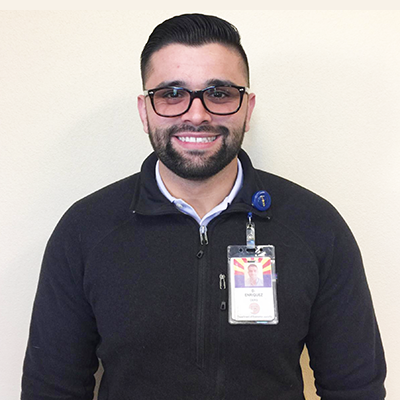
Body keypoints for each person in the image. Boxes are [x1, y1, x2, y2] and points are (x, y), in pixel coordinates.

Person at [22, 13, 386, 400]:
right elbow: (52, 389)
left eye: (219, 93)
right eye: (172, 94)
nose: (196, 115)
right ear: (145, 111)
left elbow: (355, 387)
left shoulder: (315, 226)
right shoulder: (85, 230)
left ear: (247, 108)